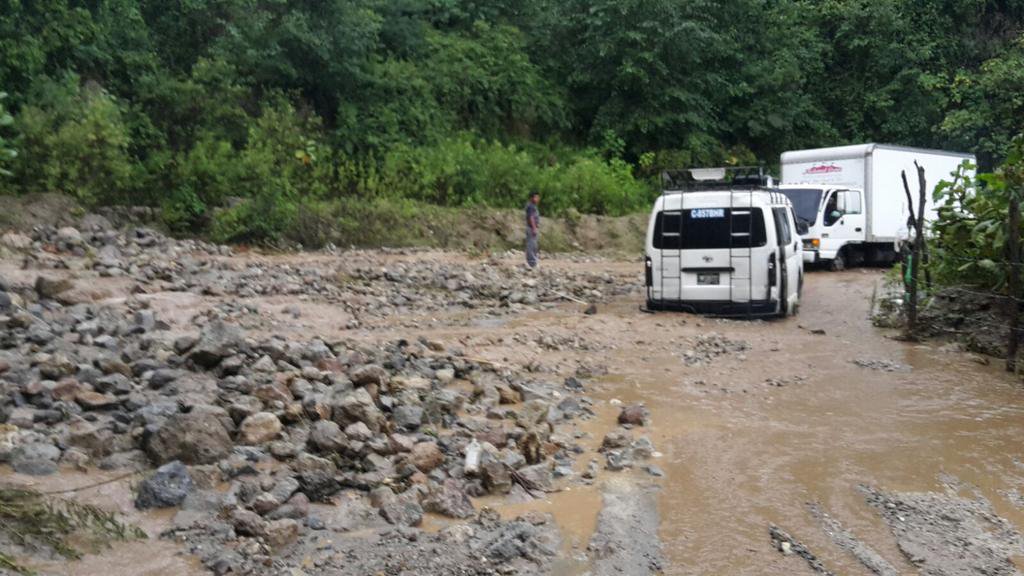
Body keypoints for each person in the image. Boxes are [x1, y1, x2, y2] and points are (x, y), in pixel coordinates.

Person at [525, 191, 541, 269]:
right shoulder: (531, 206)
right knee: (531, 245)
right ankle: (532, 263)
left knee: (534, 245)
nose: (537, 199)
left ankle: (533, 261)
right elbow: (531, 218)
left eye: (538, 197)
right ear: (531, 198)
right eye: (536, 197)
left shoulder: (533, 206)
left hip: (533, 228)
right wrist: (534, 228)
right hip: (531, 228)